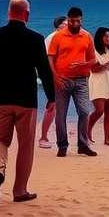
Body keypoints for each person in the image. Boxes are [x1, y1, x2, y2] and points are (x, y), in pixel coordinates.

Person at [0, 0, 55, 205]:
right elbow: (44, 71)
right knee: (26, 145)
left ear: (8, 13)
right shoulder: (36, 38)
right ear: (26, 15)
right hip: (25, 99)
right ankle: (20, 190)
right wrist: (51, 96)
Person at [48, 6, 98, 157]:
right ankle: (62, 144)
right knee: (60, 114)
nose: (74, 24)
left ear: (81, 20)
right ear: (68, 19)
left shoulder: (87, 36)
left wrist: (84, 64)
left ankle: (83, 144)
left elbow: (93, 60)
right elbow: (50, 58)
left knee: (84, 111)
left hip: (81, 80)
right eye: (71, 21)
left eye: (77, 21)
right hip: (62, 79)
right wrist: (55, 76)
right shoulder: (59, 36)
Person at [88, 26, 109, 146]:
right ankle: (88, 130)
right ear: (100, 37)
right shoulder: (93, 50)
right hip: (98, 82)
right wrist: (103, 66)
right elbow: (92, 69)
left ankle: (107, 138)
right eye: (106, 36)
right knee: (99, 110)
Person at [38, 15, 67, 147]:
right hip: (53, 77)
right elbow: (47, 61)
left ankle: (58, 134)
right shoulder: (51, 38)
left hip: (64, 76)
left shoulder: (64, 38)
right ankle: (43, 137)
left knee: (60, 108)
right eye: (64, 25)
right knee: (52, 106)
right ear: (58, 26)